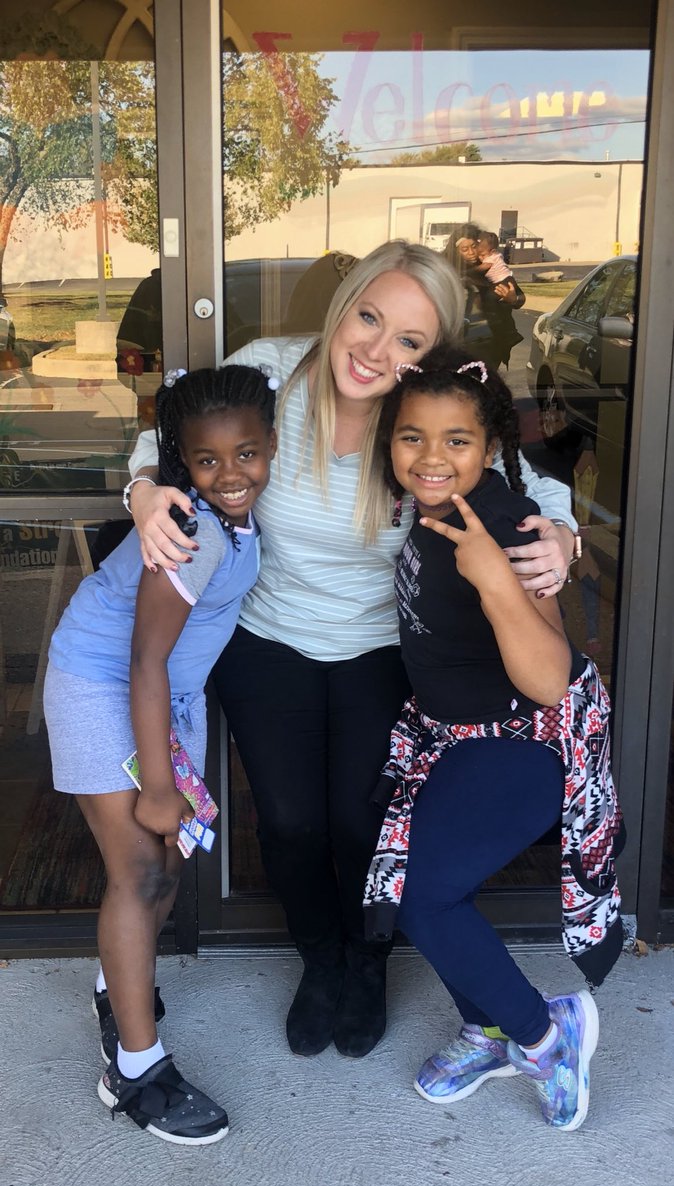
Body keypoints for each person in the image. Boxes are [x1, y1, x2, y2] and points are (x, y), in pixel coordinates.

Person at [125, 240, 578, 1061]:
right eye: (369, 318)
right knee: (293, 823)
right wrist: (145, 492)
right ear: (344, 308)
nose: (376, 351)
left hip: (382, 647)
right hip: (268, 639)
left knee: (359, 818)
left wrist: (565, 534)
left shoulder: (427, 419)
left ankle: (368, 963)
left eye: (408, 340)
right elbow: (168, 431)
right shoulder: (270, 373)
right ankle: (322, 962)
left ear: (430, 354)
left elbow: (530, 478)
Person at [364, 344, 624, 1131]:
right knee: (432, 886)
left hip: (524, 743)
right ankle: (489, 1026)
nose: (432, 457)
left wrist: (493, 574)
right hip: (460, 735)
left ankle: (546, 1034)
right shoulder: (439, 507)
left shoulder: (505, 524)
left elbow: (549, 676)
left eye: (457, 441)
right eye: (413, 437)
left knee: (422, 895)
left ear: (491, 448)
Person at [43, 364, 278, 1144]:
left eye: (247, 453)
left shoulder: (236, 516)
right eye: (208, 461)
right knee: (141, 868)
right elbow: (142, 660)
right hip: (104, 684)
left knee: (168, 869)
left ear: (270, 445)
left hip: (160, 700)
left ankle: (118, 992)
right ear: (182, 462)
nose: (231, 474)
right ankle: (134, 1072)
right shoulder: (192, 530)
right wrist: (154, 786)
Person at [445, 225, 524, 368]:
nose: (471, 253)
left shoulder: (493, 265)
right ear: (455, 252)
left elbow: (520, 297)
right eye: (464, 249)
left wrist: (513, 299)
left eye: (474, 246)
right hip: (463, 345)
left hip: (494, 342)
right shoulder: (449, 272)